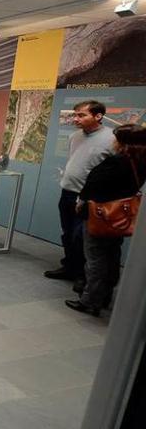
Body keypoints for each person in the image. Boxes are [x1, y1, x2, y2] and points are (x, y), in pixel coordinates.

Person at [65, 124, 146, 317]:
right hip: (120, 216)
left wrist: (82, 201)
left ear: (123, 141)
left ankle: (90, 300)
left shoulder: (116, 162)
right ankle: (105, 295)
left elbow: (93, 184)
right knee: (111, 255)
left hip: (100, 214)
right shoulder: (140, 161)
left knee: (95, 258)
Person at [45, 100, 115, 286]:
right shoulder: (75, 136)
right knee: (67, 233)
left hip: (89, 198)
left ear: (98, 116)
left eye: (81, 115)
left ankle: (83, 276)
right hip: (68, 192)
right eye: (75, 115)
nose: (76, 118)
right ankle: (69, 267)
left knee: (82, 238)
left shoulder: (111, 139)